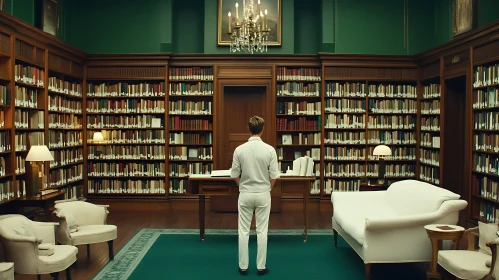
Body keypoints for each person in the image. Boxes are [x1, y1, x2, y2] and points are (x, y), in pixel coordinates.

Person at [230, 116, 279, 276]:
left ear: (249, 129)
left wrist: (241, 187)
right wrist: (268, 188)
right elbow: (274, 176)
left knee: (243, 231)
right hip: (263, 193)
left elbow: (235, 174)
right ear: (262, 129)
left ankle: (243, 267)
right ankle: (261, 267)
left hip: (245, 193)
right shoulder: (270, 150)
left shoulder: (239, 149)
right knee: (262, 231)